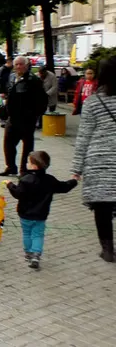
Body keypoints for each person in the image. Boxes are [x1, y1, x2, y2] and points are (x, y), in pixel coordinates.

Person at [72, 56, 116, 262]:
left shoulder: (93, 102)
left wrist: (76, 168)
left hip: (99, 161)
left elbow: (84, 137)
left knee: (102, 207)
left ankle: (107, 249)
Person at [7, 151, 77, 269]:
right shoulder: (50, 180)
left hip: (25, 214)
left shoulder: (25, 179)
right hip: (41, 214)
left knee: (27, 233)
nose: (26, 163)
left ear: (34, 165)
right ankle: (36, 254)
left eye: (28, 162)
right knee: (38, 235)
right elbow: (64, 187)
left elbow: (18, 194)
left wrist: (10, 186)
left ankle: (28, 253)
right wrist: (74, 181)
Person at [0, 56, 48, 177]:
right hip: (12, 117)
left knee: (27, 145)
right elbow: (9, 92)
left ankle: (24, 169)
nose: (19, 67)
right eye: (16, 64)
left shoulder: (33, 80)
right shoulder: (12, 76)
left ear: (27, 65)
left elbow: (42, 99)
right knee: (8, 143)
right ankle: (11, 167)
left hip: (27, 118)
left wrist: (35, 115)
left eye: (21, 64)